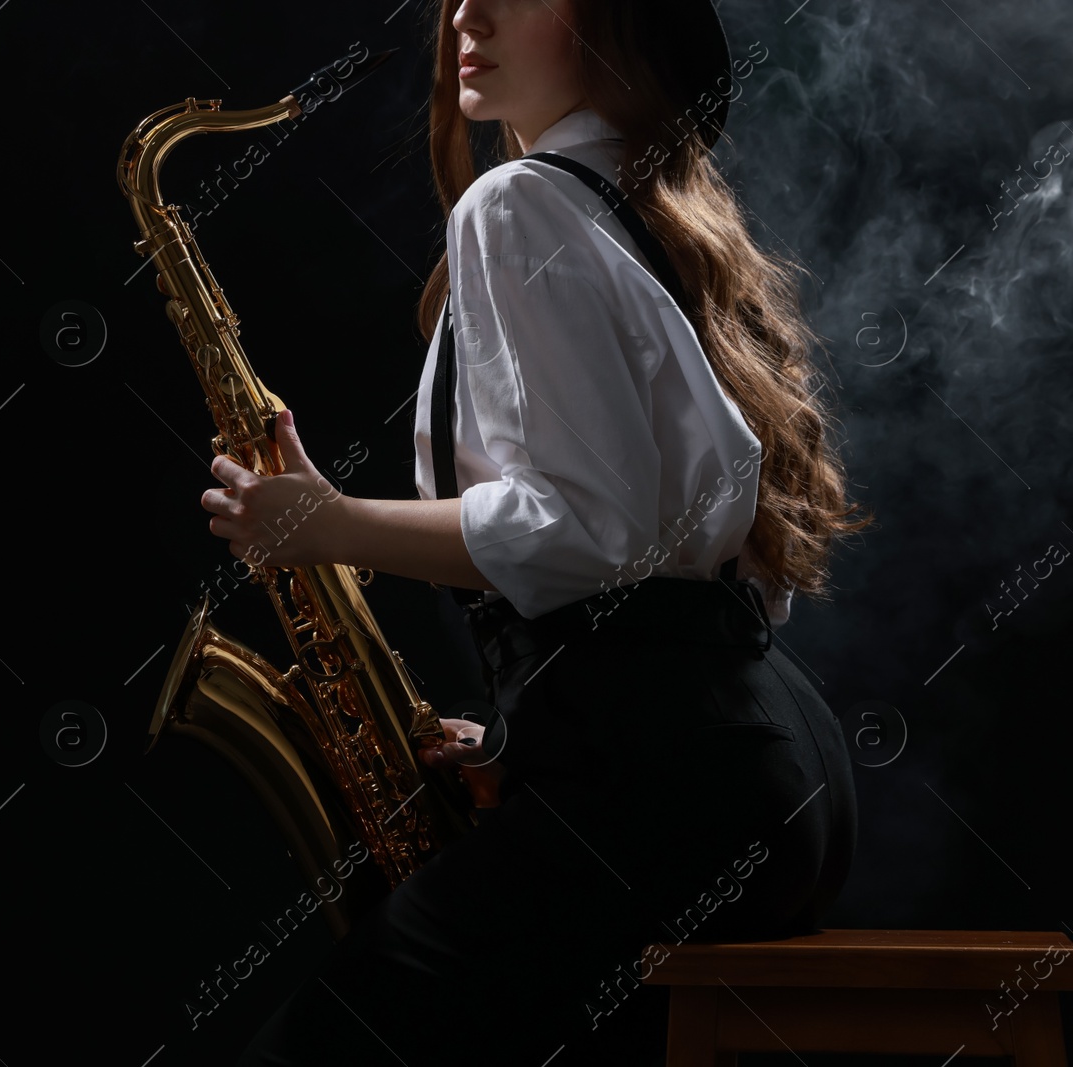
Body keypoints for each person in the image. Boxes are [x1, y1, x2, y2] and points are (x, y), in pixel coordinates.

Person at [202, 0, 872, 1061]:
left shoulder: (515, 204)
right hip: (778, 780)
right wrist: (533, 736)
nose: (468, 12)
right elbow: (685, 567)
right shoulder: (643, 203)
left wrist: (326, 524)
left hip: (670, 794)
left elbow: (589, 527)